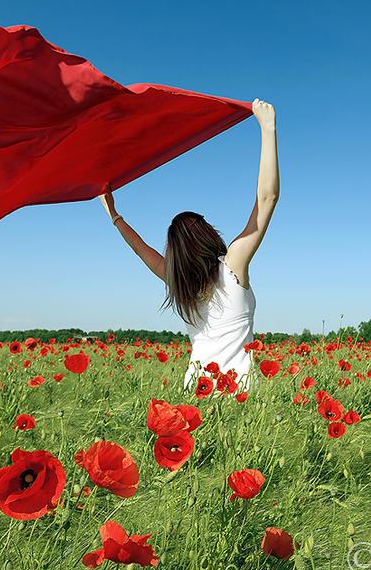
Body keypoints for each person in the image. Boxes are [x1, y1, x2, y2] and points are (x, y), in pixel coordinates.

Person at [99, 99, 278, 392]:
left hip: (195, 391)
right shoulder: (232, 266)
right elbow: (267, 200)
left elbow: (139, 247)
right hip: (238, 394)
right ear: (207, 234)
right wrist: (267, 128)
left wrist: (115, 215)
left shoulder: (177, 279)